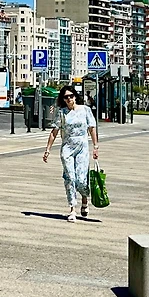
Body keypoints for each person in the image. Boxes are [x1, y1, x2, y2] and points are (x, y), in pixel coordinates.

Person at [41, 84, 98, 222]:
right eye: (66, 97)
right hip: (67, 148)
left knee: (82, 179)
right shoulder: (62, 113)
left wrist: (95, 146)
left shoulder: (85, 110)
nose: (69, 99)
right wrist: (48, 150)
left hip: (82, 148)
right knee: (70, 178)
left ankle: (84, 199)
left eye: (71, 96)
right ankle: (72, 209)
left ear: (75, 96)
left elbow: (92, 128)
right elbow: (54, 132)